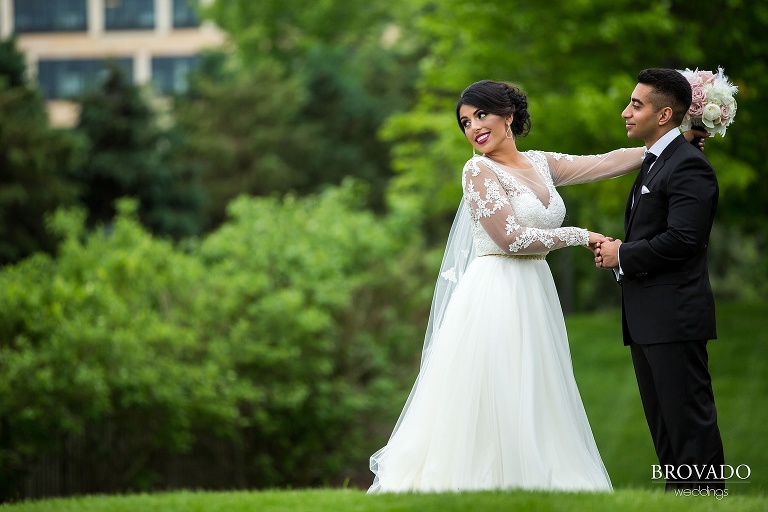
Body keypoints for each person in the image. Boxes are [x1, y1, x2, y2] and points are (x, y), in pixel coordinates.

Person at [368, 79, 702, 494]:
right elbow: (510, 238)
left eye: (480, 115)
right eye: (465, 123)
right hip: (496, 289)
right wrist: (581, 236)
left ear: (508, 116)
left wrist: (674, 144)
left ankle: (535, 480)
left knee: (537, 383)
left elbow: (605, 162)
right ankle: (484, 480)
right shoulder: (478, 170)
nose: (473, 128)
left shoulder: (542, 163)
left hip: (535, 290)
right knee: (499, 381)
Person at [594, 68, 724, 491]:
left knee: (689, 427)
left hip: (675, 318)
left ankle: (706, 499)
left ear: (665, 113)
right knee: (667, 432)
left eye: (636, 105)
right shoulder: (659, 160)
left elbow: (685, 239)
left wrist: (622, 254)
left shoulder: (689, 167)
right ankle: (680, 501)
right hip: (649, 320)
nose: (625, 113)